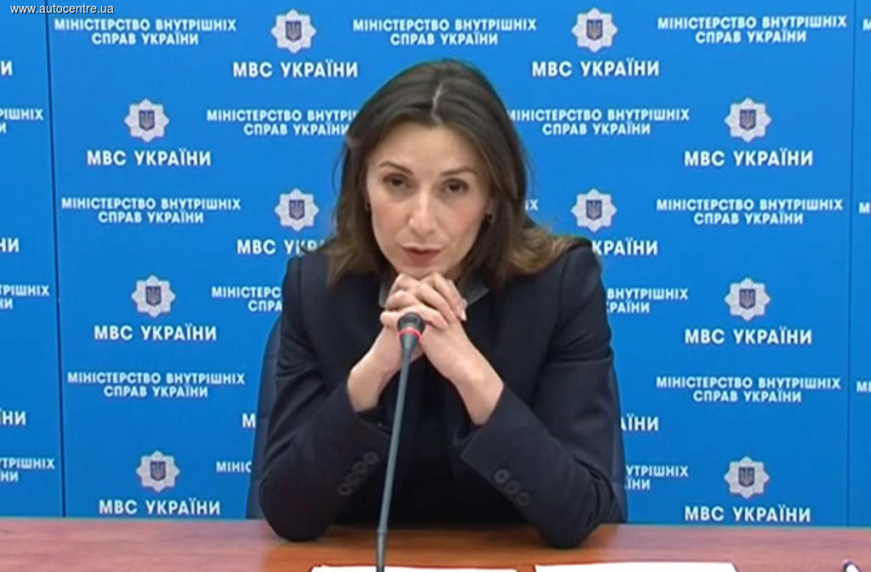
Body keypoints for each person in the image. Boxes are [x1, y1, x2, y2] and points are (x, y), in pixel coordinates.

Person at [258, 58, 626, 549]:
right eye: (397, 183)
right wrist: (373, 372)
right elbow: (287, 512)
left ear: (493, 197)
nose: (421, 221)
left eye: (454, 188)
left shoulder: (559, 288)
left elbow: (579, 511)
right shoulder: (319, 290)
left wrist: (471, 373)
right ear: (363, 186)